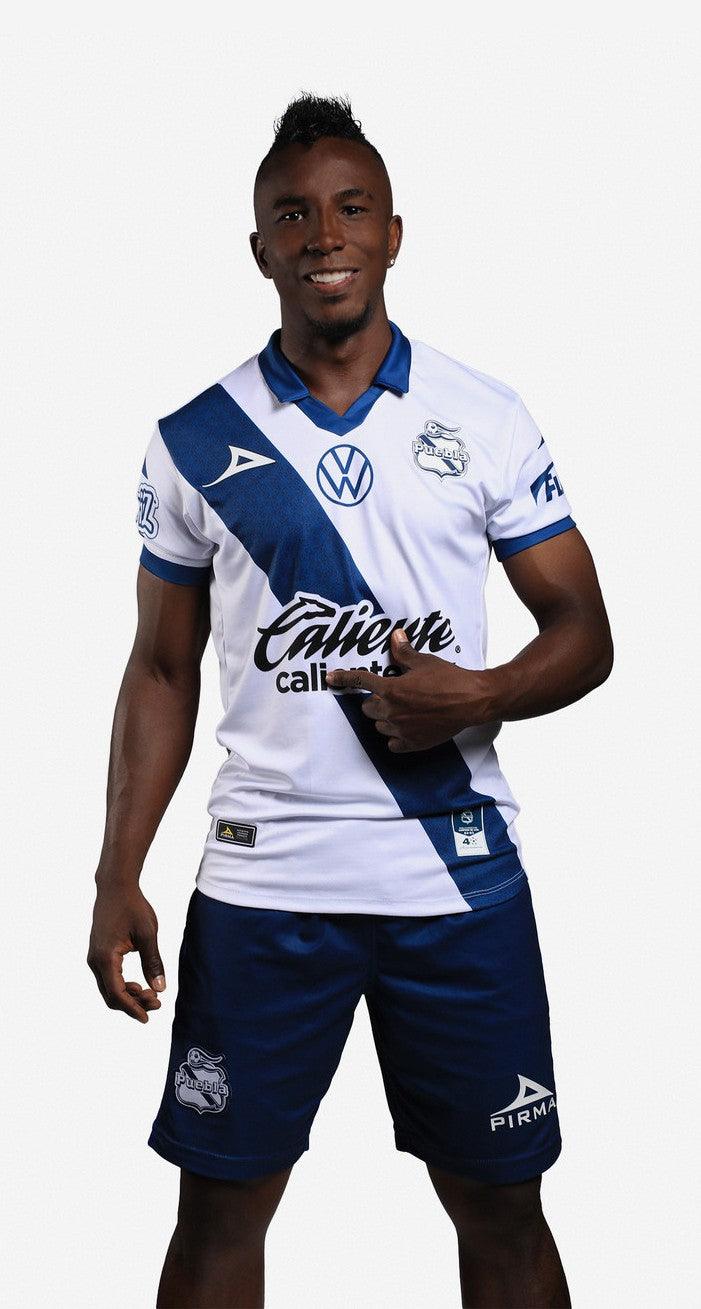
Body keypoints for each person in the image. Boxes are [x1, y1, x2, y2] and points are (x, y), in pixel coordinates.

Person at [88, 92, 613, 1308]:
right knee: (218, 1212)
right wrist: (116, 872)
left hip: (454, 881)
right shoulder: (193, 438)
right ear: (259, 248)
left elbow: (584, 632)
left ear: (391, 233)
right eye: (293, 215)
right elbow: (160, 669)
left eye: (350, 209)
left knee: (501, 1207)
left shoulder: (481, 416)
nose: (323, 235)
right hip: (264, 883)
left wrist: (477, 694)